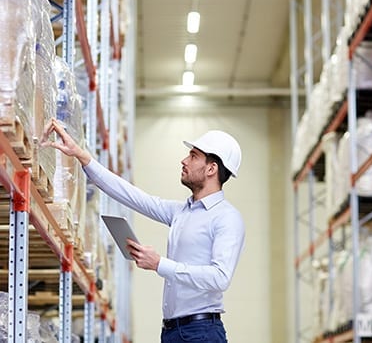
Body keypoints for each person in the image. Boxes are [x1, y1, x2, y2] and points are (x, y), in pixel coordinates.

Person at [41, 118, 245, 343]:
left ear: (211, 168)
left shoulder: (227, 218)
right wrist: (82, 155)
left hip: (201, 332)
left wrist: (159, 264)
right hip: (172, 332)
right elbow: (135, 197)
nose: (184, 160)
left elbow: (220, 278)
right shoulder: (182, 212)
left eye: (193, 156)